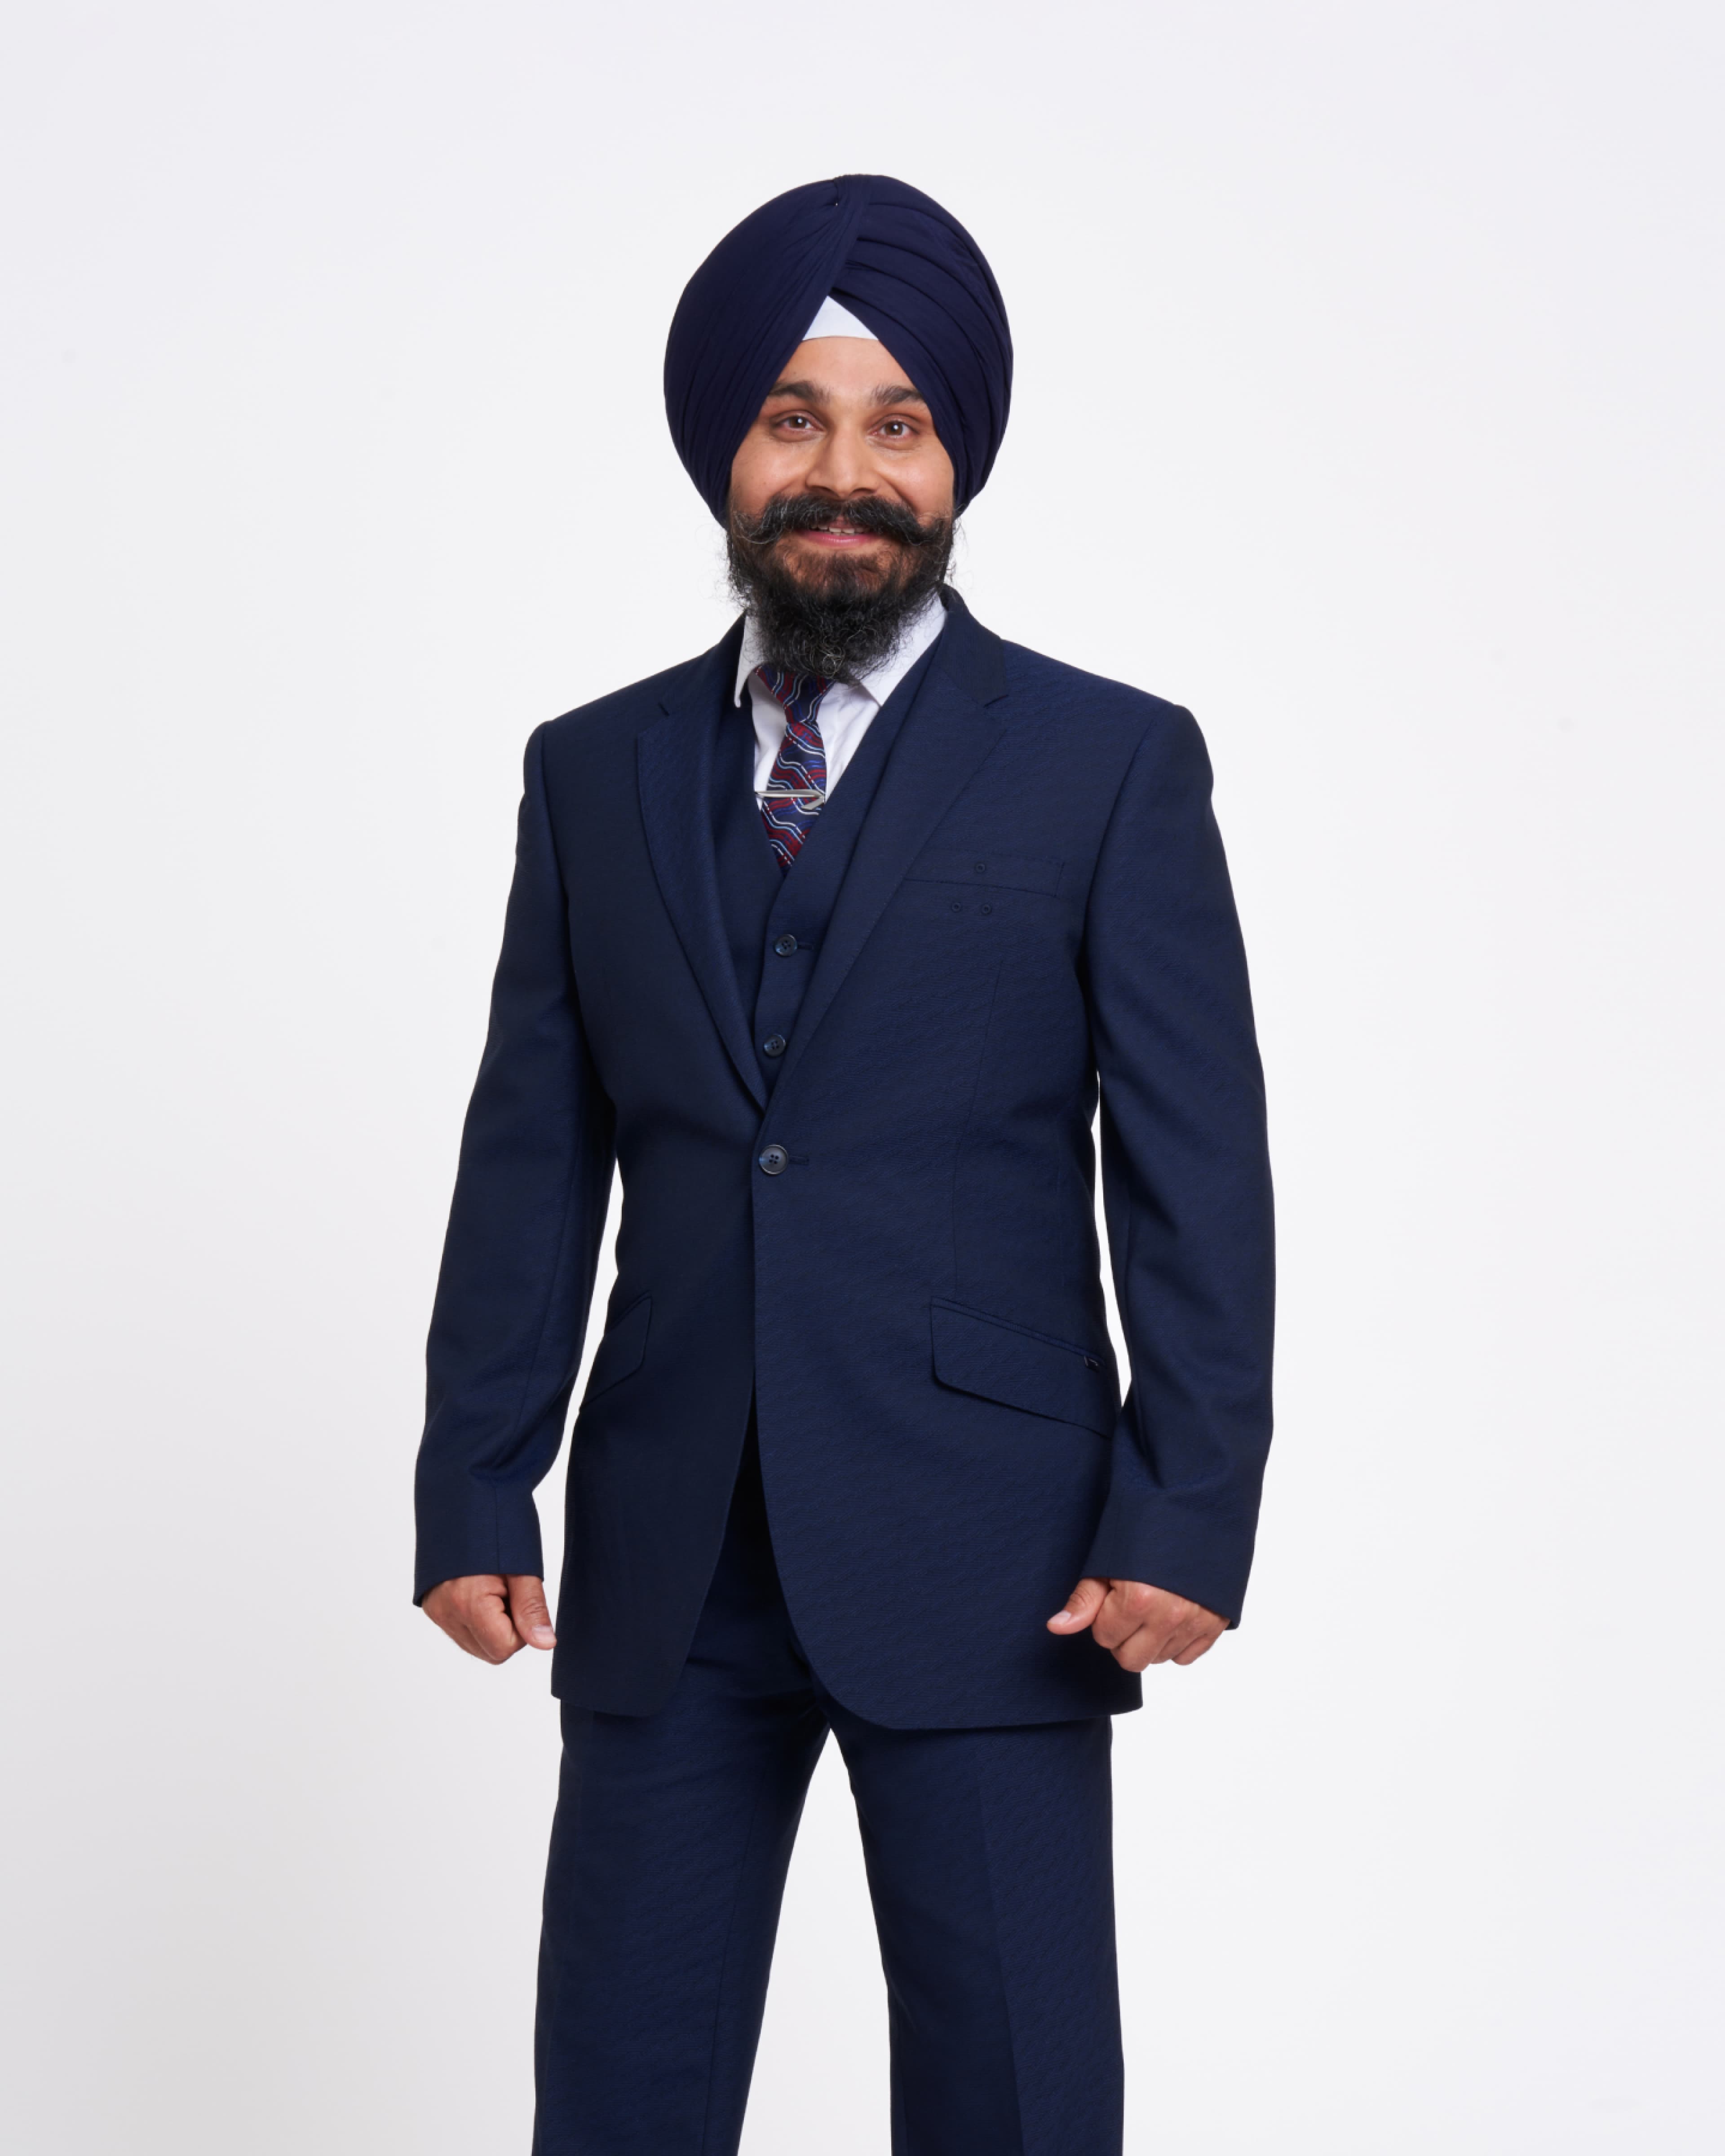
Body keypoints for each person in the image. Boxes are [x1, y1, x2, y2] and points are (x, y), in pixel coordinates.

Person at [413, 173, 1274, 2156]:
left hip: (1000, 1551)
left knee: (1018, 2102)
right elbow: (533, 1149)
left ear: (956, 456)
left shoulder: (1107, 763)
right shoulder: (591, 770)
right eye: (794, 417)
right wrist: (478, 1471)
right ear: (725, 444)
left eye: (897, 424)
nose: (844, 471)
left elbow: (1195, 1164)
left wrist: (1191, 1503)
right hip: (666, 1551)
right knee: (621, 2096)